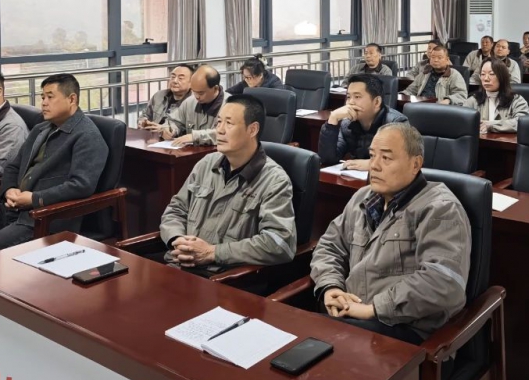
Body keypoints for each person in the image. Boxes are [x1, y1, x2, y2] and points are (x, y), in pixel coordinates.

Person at [310, 122, 470, 345]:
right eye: (372, 156)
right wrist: (331, 286)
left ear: (415, 164)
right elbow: (329, 246)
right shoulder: (363, 197)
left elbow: (444, 282)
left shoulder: (440, 208)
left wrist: (374, 309)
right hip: (352, 317)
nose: (374, 166)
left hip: (403, 330)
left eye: (386, 158)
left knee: (314, 342)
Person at [157, 95, 297, 273]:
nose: (219, 130)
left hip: (222, 277)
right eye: (218, 122)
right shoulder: (206, 164)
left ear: (252, 129)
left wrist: (213, 252)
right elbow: (176, 209)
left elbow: (279, 243)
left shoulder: (274, 180)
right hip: (179, 265)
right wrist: (177, 239)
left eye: (229, 124)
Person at [0, 74, 108, 253]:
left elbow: (81, 186)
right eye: (43, 97)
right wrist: (9, 190)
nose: (43, 103)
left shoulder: (87, 137)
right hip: (12, 209)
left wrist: (34, 199)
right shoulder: (40, 129)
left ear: (72, 99)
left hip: (43, 218)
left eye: (50, 97)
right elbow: (13, 166)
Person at [319, 74, 407, 169]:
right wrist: (332, 119)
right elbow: (328, 159)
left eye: (357, 97)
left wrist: (371, 164)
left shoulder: (397, 123)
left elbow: (404, 161)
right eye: (348, 97)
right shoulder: (347, 124)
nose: (350, 102)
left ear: (377, 102)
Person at [159, 65, 226, 146]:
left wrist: (195, 136)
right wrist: (169, 129)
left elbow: (227, 133)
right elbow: (174, 121)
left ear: (215, 89)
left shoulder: (230, 105)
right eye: (194, 91)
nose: (197, 96)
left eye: (201, 93)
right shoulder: (190, 102)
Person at [464, 60, 529, 134]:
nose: (486, 79)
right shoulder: (473, 100)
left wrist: (491, 125)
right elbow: (462, 122)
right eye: (482, 74)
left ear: (502, 77)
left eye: (492, 74)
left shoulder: (516, 100)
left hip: (505, 141)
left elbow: (522, 123)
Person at [403, 45, 469, 105]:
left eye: (439, 58)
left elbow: (461, 95)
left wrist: (448, 100)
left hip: (440, 109)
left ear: (447, 60)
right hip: (420, 106)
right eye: (433, 57)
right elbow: (411, 90)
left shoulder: (454, 75)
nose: (435, 60)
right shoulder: (425, 73)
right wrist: (402, 94)